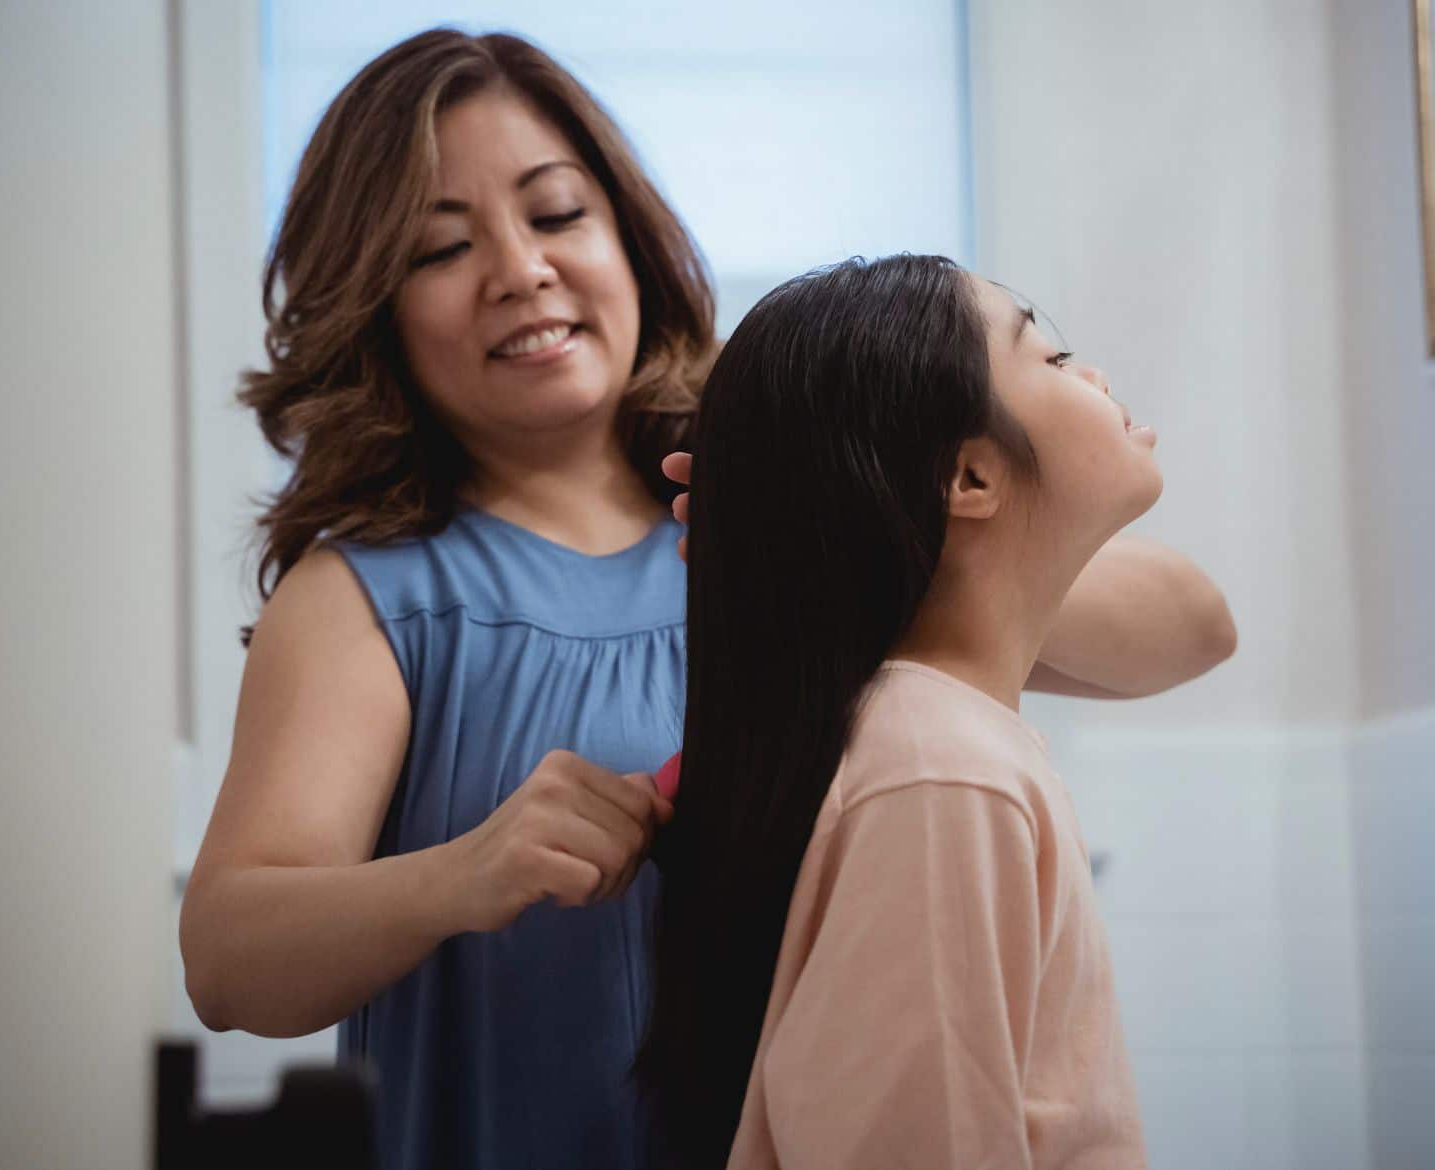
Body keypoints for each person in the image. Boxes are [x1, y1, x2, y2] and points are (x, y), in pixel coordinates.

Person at [177, 28, 1232, 1170]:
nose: (520, 269)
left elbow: (1190, 628)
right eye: (441, 248)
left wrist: (829, 531)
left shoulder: (791, 537)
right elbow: (230, 964)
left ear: (629, 234)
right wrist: (466, 873)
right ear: (374, 306)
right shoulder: (369, 600)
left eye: (558, 214)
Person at [638, 254, 1171, 1169]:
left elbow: (1207, 626)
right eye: (1051, 358)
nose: (1093, 376)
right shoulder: (941, 774)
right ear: (967, 477)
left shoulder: (944, 747)